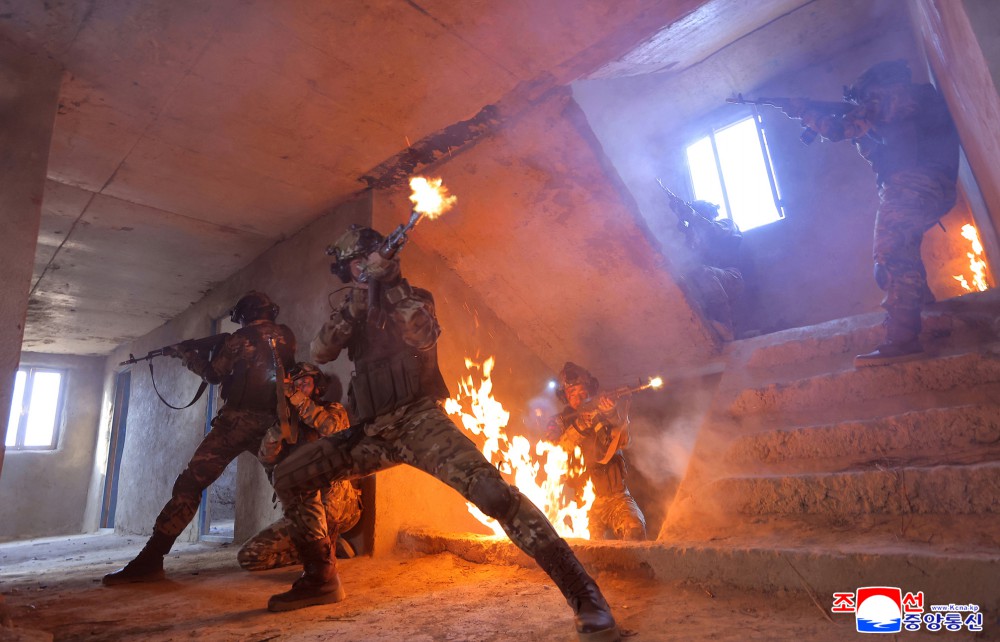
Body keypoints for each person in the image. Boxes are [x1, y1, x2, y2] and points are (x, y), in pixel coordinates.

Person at [267, 225, 620, 642]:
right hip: (371, 432)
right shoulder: (353, 308)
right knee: (290, 474)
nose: (363, 270)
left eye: (368, 262)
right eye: (356, 265)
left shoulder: (413, 298)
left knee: (493, 495)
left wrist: (392, 286)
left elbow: (422, 335)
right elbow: (320, 350)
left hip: (419, 421)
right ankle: (320, 578)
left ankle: (585, 596)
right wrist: (357, 305)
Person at [773, 59, 959, 366]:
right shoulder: (901, 106)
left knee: (891, 256)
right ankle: (923, 310)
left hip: (913, 183)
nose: (862, 102)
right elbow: (871, 139)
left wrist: (804, 111)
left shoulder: (895, 96)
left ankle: (902, 339)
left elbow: (838, 129)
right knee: (896, 257)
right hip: (921, 185)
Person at [103, 291, 296, 585]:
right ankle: (319, 545)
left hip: (236, 424)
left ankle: (151, 559)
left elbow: (214, 375)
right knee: (296, 484)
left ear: (245, 314)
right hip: (276, 424)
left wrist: (188, 355)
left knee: (190, 484)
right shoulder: (286, 336)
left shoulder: (238, 339)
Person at [237, 362, 363, 571]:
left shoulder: (332, 410)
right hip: (305, 512)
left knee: (329, 476)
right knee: (250, 557)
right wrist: (278, 431)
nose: (300, 388)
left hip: (341, 508)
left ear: (317, 387)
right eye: (295, 385)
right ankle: (325, 548)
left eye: (305, 383)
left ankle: (325, 548)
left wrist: (296, 397)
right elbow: (267, 459)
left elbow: (331, 428)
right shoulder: (288, 423)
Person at [546, 362, 646, 541]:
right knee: (587, 550)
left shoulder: (604, 413)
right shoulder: (559, 422)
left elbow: (625, 442)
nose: (578, 399)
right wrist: (580, 426)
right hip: (582, 504)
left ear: (590, 391)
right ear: (565, 396)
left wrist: (611, 415)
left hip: (616, 497)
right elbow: (554, 452)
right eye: (572, 394)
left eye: (582, 392)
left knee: (635, 531)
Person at [669, 196, 744, 341]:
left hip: (732, 277)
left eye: (700, 211)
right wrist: (685, 226)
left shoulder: (727, 224)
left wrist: (692, 215)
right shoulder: (699, 238)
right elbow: (690, 255)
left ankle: (725, 326)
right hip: (711, 278)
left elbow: (713, 230)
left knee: (703, 273)